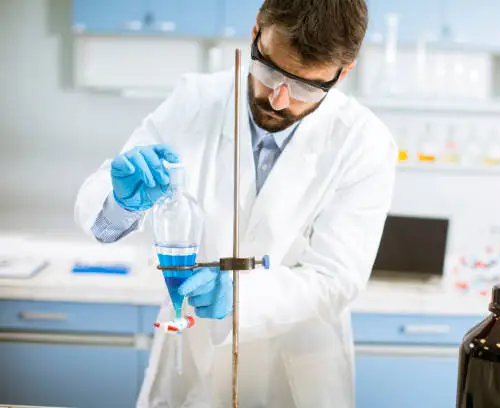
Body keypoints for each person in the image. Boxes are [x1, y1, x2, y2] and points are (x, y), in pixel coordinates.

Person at [74, 0, 397, 407]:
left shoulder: (364, 143)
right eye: (270, 70)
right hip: (194, 357)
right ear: (256, 32)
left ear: (342, 73)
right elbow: (102, 209)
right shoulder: (196, 99)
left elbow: (336, 278)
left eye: (304, 87)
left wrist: (241, 296)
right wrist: (121, 202)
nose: (279, 99)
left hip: (298, 372)